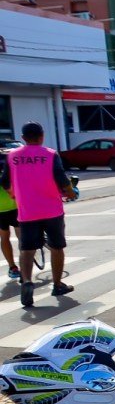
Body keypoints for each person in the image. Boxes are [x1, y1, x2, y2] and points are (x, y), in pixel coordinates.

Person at [0, 122, 78, 308]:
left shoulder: (12, 156)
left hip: (27, 211)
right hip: (52, 210)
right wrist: (70, 192)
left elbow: (4, 181)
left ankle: (27, 281)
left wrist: (14, 194)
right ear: (42, 136)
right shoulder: (50, 154)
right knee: (57, 247)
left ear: (23, 138)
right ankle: (57, 285)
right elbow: (62, 179)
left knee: (27, 250)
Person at [0, 149, 20, 280]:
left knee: (4, 237)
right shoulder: (7, 158)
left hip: (3, 209)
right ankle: (24, 265)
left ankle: (13, 267)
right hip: (15, 205)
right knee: (22, 237)